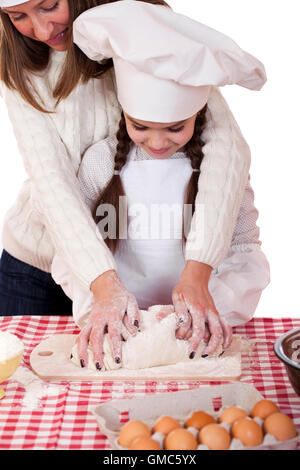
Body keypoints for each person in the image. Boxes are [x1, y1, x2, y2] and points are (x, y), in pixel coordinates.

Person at [0, 0, 255, 360]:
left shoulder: (143, 33)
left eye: (49, 6)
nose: (41, 31)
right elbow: (51, 183)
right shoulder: (19, 66)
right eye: (17, 16)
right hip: (35, 263)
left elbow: (227, 150)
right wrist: (101, 282)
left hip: (122, 273)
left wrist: (199, 269)